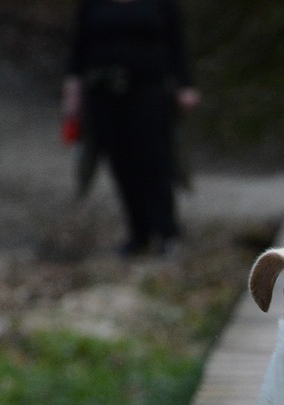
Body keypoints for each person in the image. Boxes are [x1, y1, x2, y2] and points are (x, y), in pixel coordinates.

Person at [63, 0, 201, 257]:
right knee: (120, 161)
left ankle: (166, 230)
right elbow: (79, 45)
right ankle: (139, 233)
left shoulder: (161, 5)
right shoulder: (92, 5)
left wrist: (185, 84)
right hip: (102, 92)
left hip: (149, 90)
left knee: (155, 159)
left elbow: (176, 41)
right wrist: (72, 90)